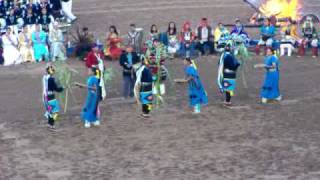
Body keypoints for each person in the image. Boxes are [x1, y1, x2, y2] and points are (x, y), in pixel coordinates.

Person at [42, 65, 64, 130]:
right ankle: (51, 124)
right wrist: (62, 88)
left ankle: (49, 124)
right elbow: (56, 89)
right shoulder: (51, 79)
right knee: (55, 111)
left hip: (45, 97)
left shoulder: (44, 77)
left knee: (50, 111)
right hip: (50, 97)